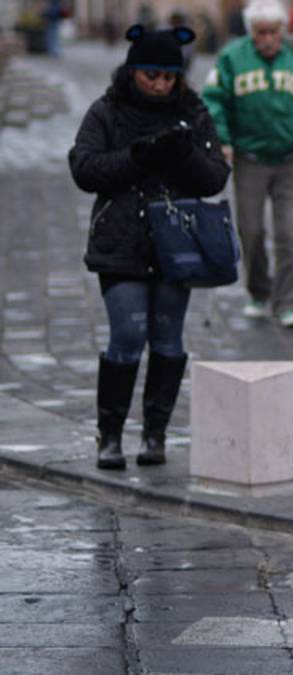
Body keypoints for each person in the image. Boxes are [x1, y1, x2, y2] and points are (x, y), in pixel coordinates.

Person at [69, 25, 230, 470]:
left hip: (177, 244)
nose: (160, 85)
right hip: (121, 240)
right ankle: (110, 435)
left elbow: (215, 176)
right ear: (133, 72)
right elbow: (84, 168)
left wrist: (183, 155)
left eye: (168, 77)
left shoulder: (193, 113)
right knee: (127, 334)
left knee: (167, 337)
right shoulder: (107, 112)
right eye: (151, 75)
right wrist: (138, 157)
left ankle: (155, 434)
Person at [201, 0, 293, 329]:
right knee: (252, 230)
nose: (268, 39)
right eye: (261, 33)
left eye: (274, 32)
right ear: (251, 32)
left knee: (288, 232)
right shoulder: (233, 57)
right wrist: (223, 139)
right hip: (250, 158)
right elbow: (213, 99)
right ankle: (259, 291)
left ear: (282, 30)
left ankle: (288, 302)